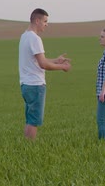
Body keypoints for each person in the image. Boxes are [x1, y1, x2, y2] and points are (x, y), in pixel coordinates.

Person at [19, 8, 71, 140]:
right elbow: (43, 64)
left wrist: (56, 60)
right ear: (37, 21)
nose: (46, 24)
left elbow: (37, 61)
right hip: (35, 84)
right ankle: (30, 148)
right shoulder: (35, 39)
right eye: (45, 21)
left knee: (30, 118)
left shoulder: (24, 36)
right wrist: (62, 67)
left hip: (26, 84)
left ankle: (26, 147)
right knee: (34, 120)